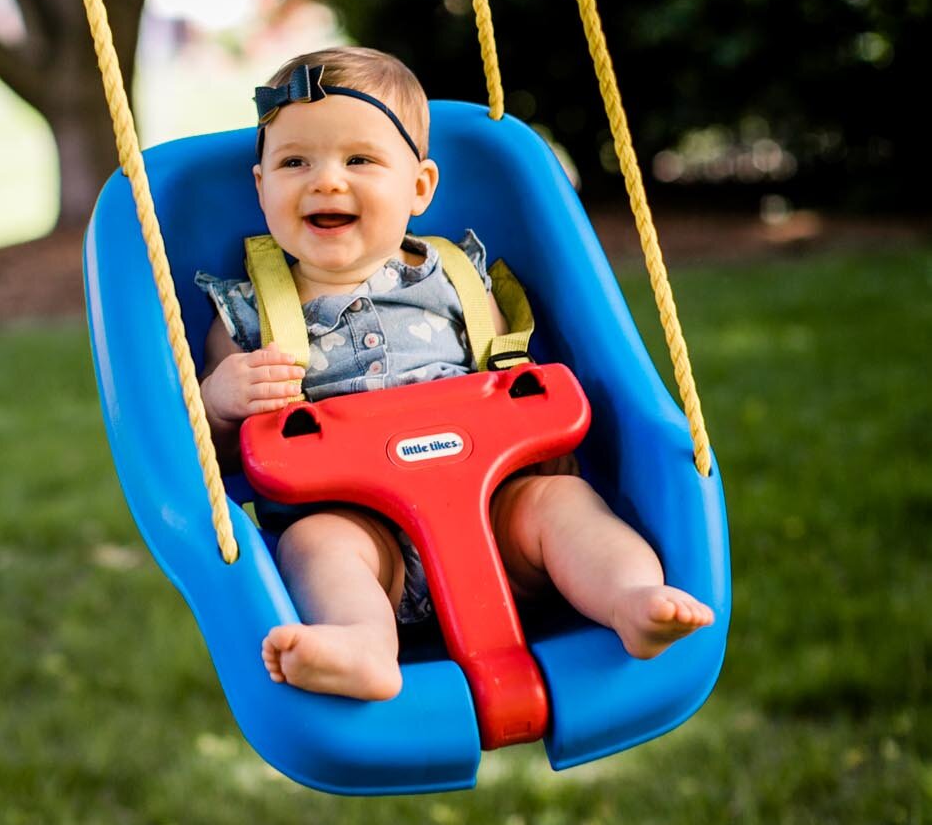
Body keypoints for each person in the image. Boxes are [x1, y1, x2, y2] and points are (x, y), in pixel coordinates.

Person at [196, 47, 714, 703]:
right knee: (312, 544)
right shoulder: (244, 314)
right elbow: (211, 459)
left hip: (494, 518)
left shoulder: (458, 278)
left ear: (418, 187)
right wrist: (219, 402)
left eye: (359, 160)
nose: (325, 181)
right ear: (261, 186)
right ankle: (362, 642)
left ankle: (631, 600)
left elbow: (513, 381)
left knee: (560, 507)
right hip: (361, 532)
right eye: (294, 162)